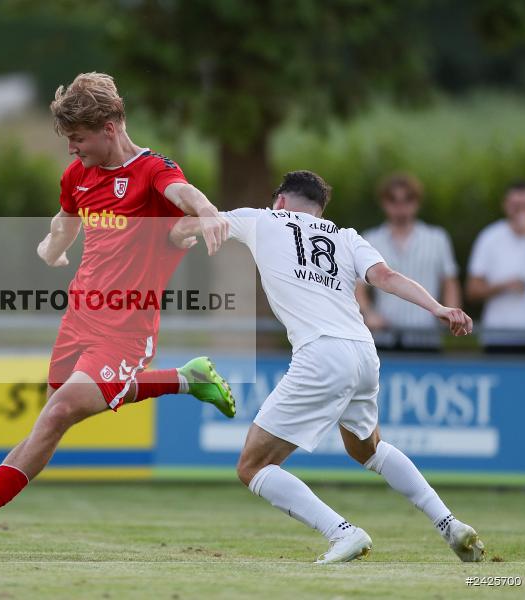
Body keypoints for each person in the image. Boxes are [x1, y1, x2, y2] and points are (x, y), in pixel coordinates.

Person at [0, 72, 236, 550]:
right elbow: (66, 218)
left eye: (78, 139)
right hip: (79, 318)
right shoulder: (78, 175)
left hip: (125, 329)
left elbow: (184, 193)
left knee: (57, 413)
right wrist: (51, 248)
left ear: (111, 127)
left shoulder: (152, 170)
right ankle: (187, 378)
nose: (72, 150)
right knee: (58, 413)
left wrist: (206, 212)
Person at [170, 171, 484, 564]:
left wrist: (181, 231)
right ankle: (449, 524)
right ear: (320, 210)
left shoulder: (263, 219)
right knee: (368, 449)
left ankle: (343, 533)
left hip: (321, 353)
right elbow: (385, 277)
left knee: (252, 466)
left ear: (280, 201)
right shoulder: (347, 236)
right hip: (363, 351)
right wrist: (438, 307)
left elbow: (206, 218)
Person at [356, 173, 460, 351]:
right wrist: (368, 313)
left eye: (407, 201)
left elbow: (449, 281)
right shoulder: (371, 239)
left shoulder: (436, 238)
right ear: (384, 203)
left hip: (426, 335)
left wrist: (451, 313)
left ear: (416, 203)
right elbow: (358, 286)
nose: (400, 208)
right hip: (383, 336)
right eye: (394, 201)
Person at [466, 181, 525, 353]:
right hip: (498, 335)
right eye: (516, 206)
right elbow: (472, 290)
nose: (522, 211)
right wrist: (503, 286)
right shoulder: (489, 237)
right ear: (506, 206)